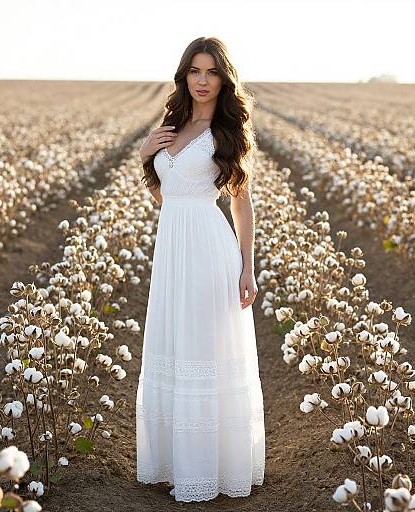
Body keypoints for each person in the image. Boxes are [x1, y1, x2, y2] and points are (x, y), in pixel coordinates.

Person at [136, 36, 265, 503]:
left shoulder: (226, 133)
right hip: (172, 252)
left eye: (212, 72)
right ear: (184, 76)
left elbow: (241, 204)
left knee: (203, 351)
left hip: (210, 251)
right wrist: (146, 154)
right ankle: (177, 463)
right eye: (195, 71)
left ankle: (210, 467)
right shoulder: (171, 128)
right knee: (175, 341)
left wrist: (247, 269)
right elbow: (165, 198)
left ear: (223, 78)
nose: (203, 80)